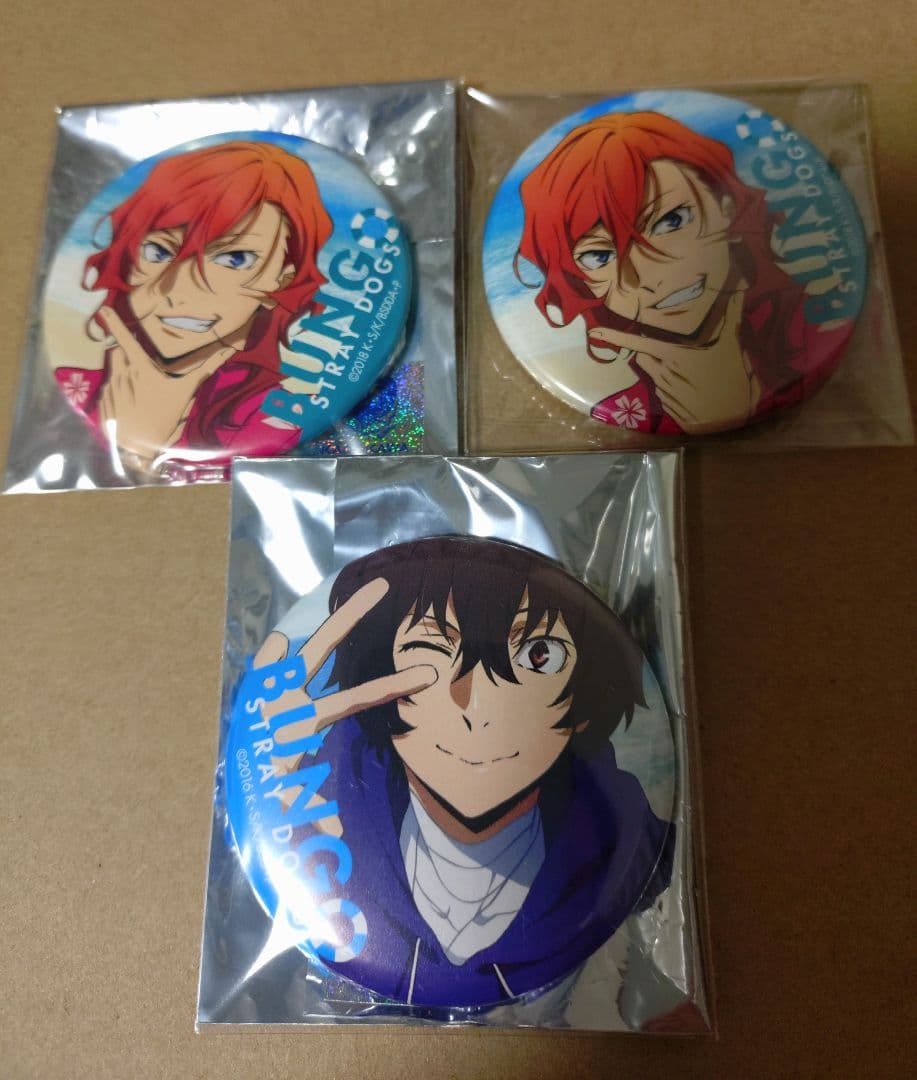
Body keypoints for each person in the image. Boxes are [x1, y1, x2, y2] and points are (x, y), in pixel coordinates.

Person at [254, 536, 673, 1007]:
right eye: (428, 649)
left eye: (539, 655)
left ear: (585, 693)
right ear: (375, 673)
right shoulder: (309, 814)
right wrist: (267, 790)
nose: (476, 705)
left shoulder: (634, 851)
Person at [516, 111, 837, 434]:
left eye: (672, 222)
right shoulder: (627, 406)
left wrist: (732, 404)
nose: (649, 278)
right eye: (599, 256)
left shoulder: (821, 323)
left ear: (725, 206)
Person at [55, 140, 333, 476]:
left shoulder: (277, 420)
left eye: (235, 259)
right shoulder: (70, 390)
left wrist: (142, 452)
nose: (179, 293)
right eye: (158, 252)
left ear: (283, 278)